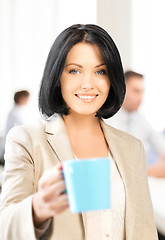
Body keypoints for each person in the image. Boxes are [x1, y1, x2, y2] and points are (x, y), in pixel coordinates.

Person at [0, 24, 158, 240]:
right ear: (58, 78)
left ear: (111, 79)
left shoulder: (132, 148)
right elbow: (5, 226)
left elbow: (145, 230)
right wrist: (38, 207)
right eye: (74, 70)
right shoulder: (26, 140)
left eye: (100, 71)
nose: (87, 84)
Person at [105, 71, 165, 178]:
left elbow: (161, 146)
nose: (141, 97)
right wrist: (151, 171)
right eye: (136, 91)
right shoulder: (108, 120)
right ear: (122, 89)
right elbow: (117, 168)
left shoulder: (140, 119)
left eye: (142, 92)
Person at [0, 90, 30, 164]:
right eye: (26, 98)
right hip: (9, 146)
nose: (27, 101)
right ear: (21, 98)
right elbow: (23, 126)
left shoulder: (19, 111)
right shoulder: (15, 112)